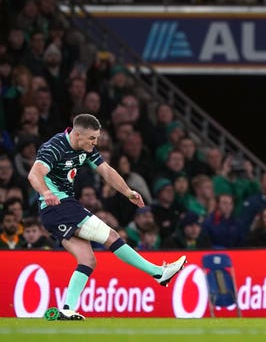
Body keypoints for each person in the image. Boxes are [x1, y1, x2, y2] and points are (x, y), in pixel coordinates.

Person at [27, 114, 186, 320]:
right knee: (110, 235)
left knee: (88, 260)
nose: (95, 143)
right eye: (92, 138)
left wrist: (128, 191)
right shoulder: (54, 147)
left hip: (58, 211)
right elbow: (34, 174)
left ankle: (66, 310)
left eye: (97, 138)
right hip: (58, 206)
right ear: (77, 134)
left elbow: (106, 171)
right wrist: (46, 192)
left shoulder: (86, 148)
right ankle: (158, 273)